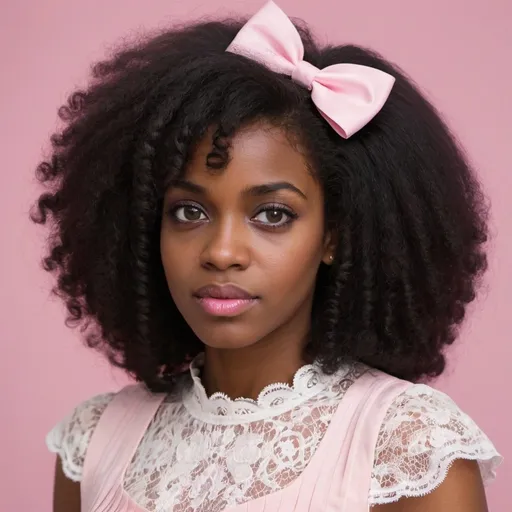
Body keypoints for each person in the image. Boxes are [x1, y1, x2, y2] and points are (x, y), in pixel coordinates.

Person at [33, 2, 501, 511]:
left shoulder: (410, 448)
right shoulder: (94, 442)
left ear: (334, 236)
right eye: (189, 211)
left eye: (272, 215)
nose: (222, 252)